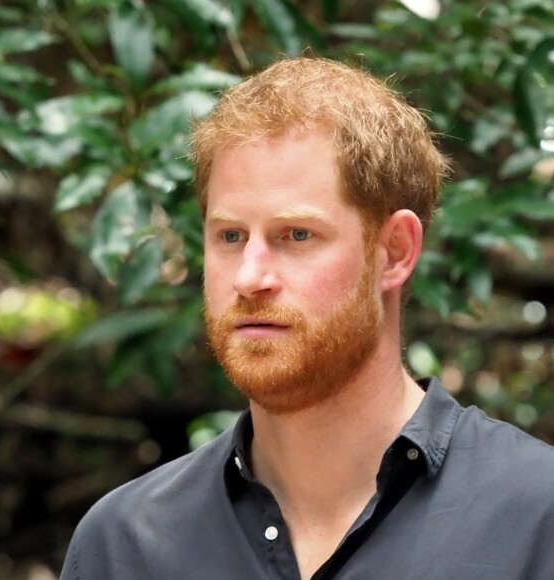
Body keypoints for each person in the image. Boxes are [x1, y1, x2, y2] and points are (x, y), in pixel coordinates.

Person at [60, 58, 554, 580]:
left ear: (394, 251)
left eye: (296, 235)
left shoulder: (535, 518)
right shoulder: (125, 544)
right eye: (230, 236)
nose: (249, 277)